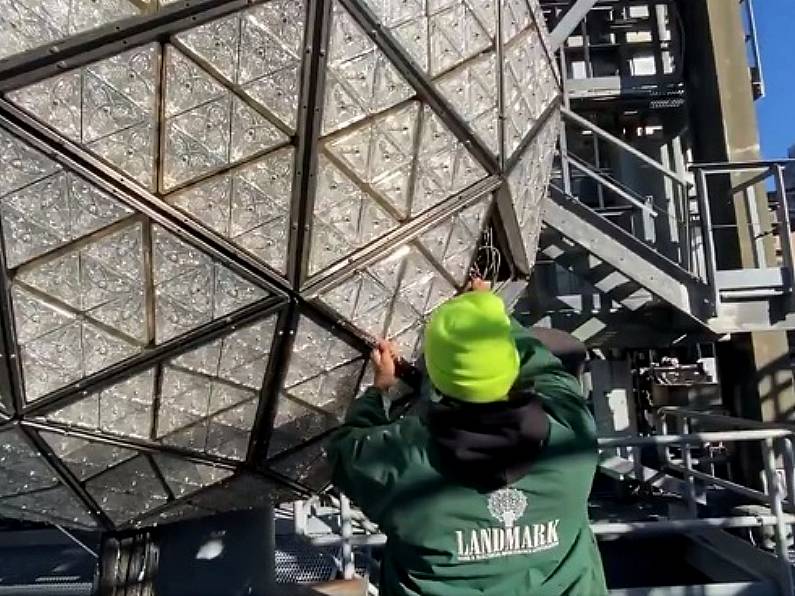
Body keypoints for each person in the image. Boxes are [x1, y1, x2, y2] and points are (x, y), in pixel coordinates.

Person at [327, 280, 607, 596]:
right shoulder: (570, 433)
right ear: (511, 363)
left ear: (436, 374)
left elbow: (344, 450)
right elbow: (549, 371)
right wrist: (492, 318)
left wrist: (379, 391)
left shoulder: (401, 455)